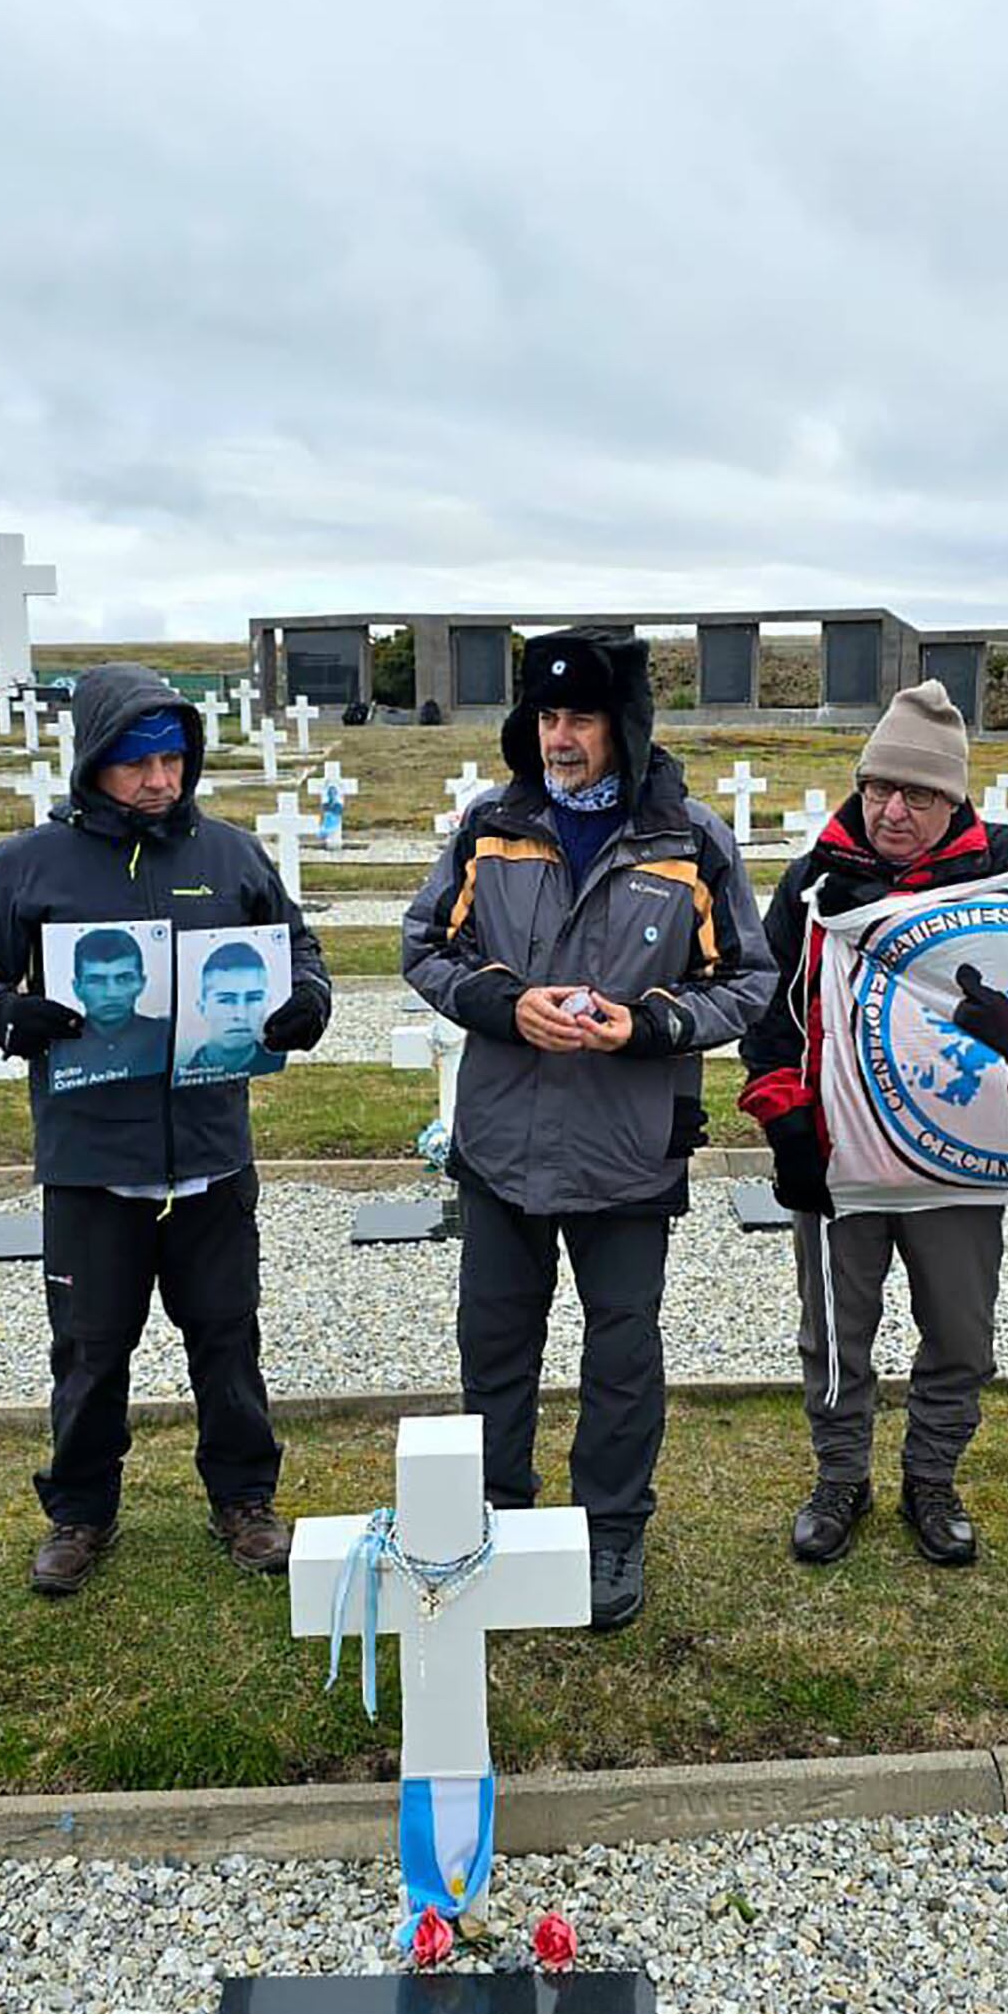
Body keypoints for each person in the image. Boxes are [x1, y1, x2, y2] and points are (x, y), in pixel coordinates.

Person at [402, 629, 774, 1632]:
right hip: (502, 1146)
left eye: (584, 719)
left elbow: (748, 979)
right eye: (549, 718)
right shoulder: (491, 824)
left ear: (625, 727)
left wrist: (649, 1024)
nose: (561, 740)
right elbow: (425, 944)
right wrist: (501, 1004)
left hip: (626, 1147)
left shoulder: (688, 839)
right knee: (495, 1344)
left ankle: (611, 1529)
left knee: (621, 1354)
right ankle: (498, 1517)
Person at [0, 665, 332, 1595]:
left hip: (209, 1156)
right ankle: (80, 1512)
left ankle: (244, 1500)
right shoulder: (33, 862)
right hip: (93, 1161)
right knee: (88, 1346)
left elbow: (297, 945)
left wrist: (306, 998)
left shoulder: (230, 857)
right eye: (136, 763)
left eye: (172, 759)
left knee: (227, 1338)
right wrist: (1, 1012)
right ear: (93, 764)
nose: (159, 780)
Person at [739, 680, 1008, 1568]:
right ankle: (840, 1476)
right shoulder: (816, 880)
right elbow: (772, 1010)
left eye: (916, 793)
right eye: (878, 787)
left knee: (960, 1328)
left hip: (956, 1155)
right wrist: (785, 1118)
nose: (892, 809)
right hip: (842, 1156)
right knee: (835, 1327)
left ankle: (932, 1475)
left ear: (953, 799)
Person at [46, 925, 171, 1089]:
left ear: (142, 983)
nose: (111, 993)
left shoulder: (168, 1036)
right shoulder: (57, 1046)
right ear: (77, 988)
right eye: (96, 981)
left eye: (124, 978)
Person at [176, 938, 279, 1081]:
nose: (241, 1015)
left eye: (253, 998)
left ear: (267, 1003)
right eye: (226, 1000)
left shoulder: (276, 1065)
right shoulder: (178, 1072)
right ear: (202, 1008)